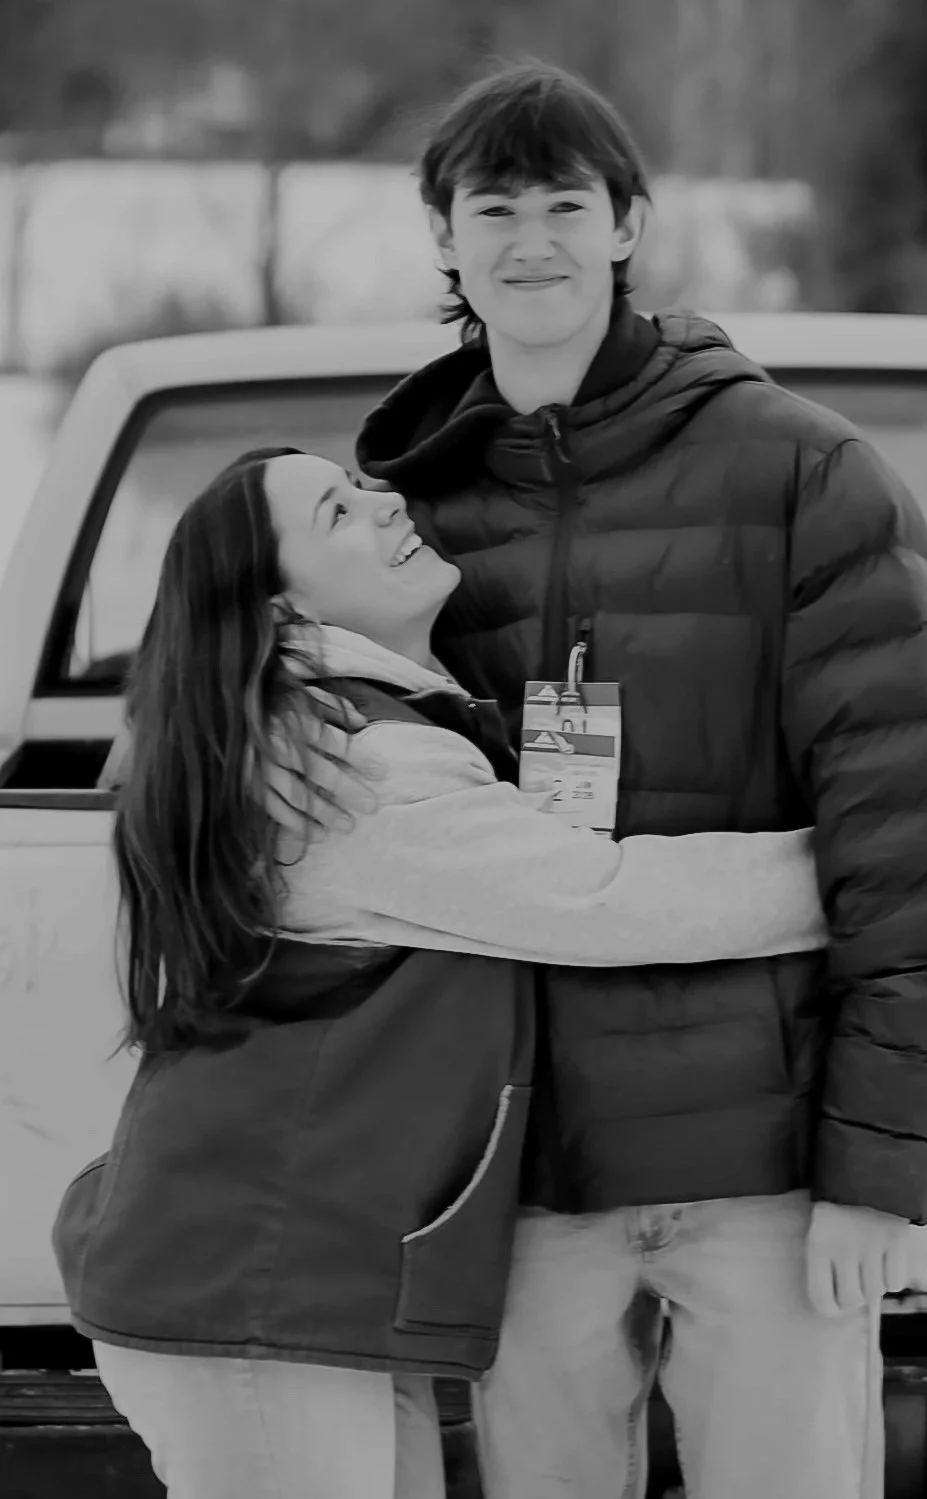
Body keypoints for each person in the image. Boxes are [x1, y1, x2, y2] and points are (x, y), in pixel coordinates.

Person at [354, 62, 927, 1499]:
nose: (533, 239)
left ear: (629, 225)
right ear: (445, 239)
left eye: (566, 203)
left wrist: (874, 1174)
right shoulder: (401, 512)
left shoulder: (803, 474)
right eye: (495, 205)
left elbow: (917, 844)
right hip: (516, 1172)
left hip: (766, 1174)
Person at [51, 447, 831, 1499]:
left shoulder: (341, 725)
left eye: (363, 485)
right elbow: (605, 899)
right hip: (252, 1299)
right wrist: (863, 867)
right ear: (282, 611)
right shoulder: (359, 762)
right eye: (338, 511)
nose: (385, 505)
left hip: (288, 1295)